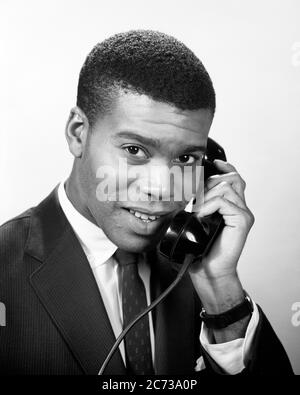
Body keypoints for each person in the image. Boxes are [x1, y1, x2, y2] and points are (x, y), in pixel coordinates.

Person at [0, 30, 293, 375]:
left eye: (185, 158)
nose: (161, 189)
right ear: (78, 133)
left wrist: (221, 292)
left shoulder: (196, 269)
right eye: (135, 150)